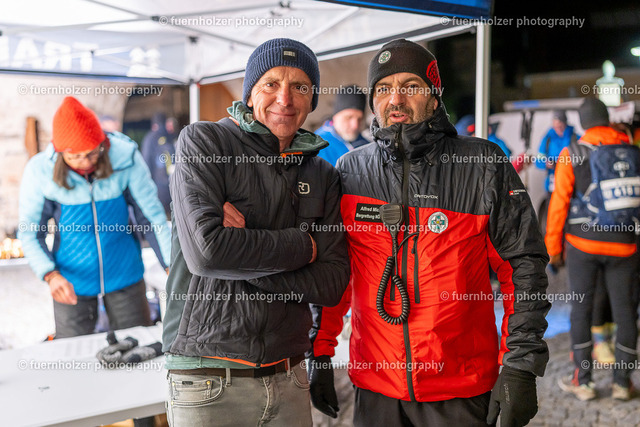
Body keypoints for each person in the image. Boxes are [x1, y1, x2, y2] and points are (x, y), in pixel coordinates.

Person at [308, 39, 550, 427]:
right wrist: (319, 351)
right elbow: (334, 272)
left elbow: (523, 268)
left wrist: (520, 365)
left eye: (411, 86)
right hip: (376, 389)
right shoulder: (350, 171)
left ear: (434, 97)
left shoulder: (483, 164)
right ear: (373, 101)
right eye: (383, 89)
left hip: (460, 389)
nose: (396, 99)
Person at [162, 38, 350, 427]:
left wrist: (244, 255)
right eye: (271, 83)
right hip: (208, 373)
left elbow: (332, 282)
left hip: (289, 373)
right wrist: (304, 247)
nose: (285, 98)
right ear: (250, 94)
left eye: (300, 86)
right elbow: (208, 254)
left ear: (313, 99)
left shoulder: (322, 174)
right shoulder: (205, 142)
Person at [547, 98, 639, 401]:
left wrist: (553, 248)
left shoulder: (571, 154)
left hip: (582, 245)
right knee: (626, 313)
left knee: (581, 311)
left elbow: (558, 205)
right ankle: (622, 383)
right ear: (607, 120)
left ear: (583, 123)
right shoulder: (631, 150)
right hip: (625, 245)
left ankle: (583, 381)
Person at [315, 84, 369, 165]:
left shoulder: (365, 145)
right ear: (335, 116)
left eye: (359, 119)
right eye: (348, 117)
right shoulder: (317, 147)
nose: (355, 126)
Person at [142, 112, 174, 217]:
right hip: (166, 187)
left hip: (159, 187)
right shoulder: (166, 137)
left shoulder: (150, 138)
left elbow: (146, 163)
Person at [536, 110, 577, 193]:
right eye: (555, 127)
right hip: (552, 184)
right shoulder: (547, 139)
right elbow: (538, 160)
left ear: (565, 123)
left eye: (560, 126)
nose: (558, 129)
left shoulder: (575, 138)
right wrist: (546, 163)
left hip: (571, 182)